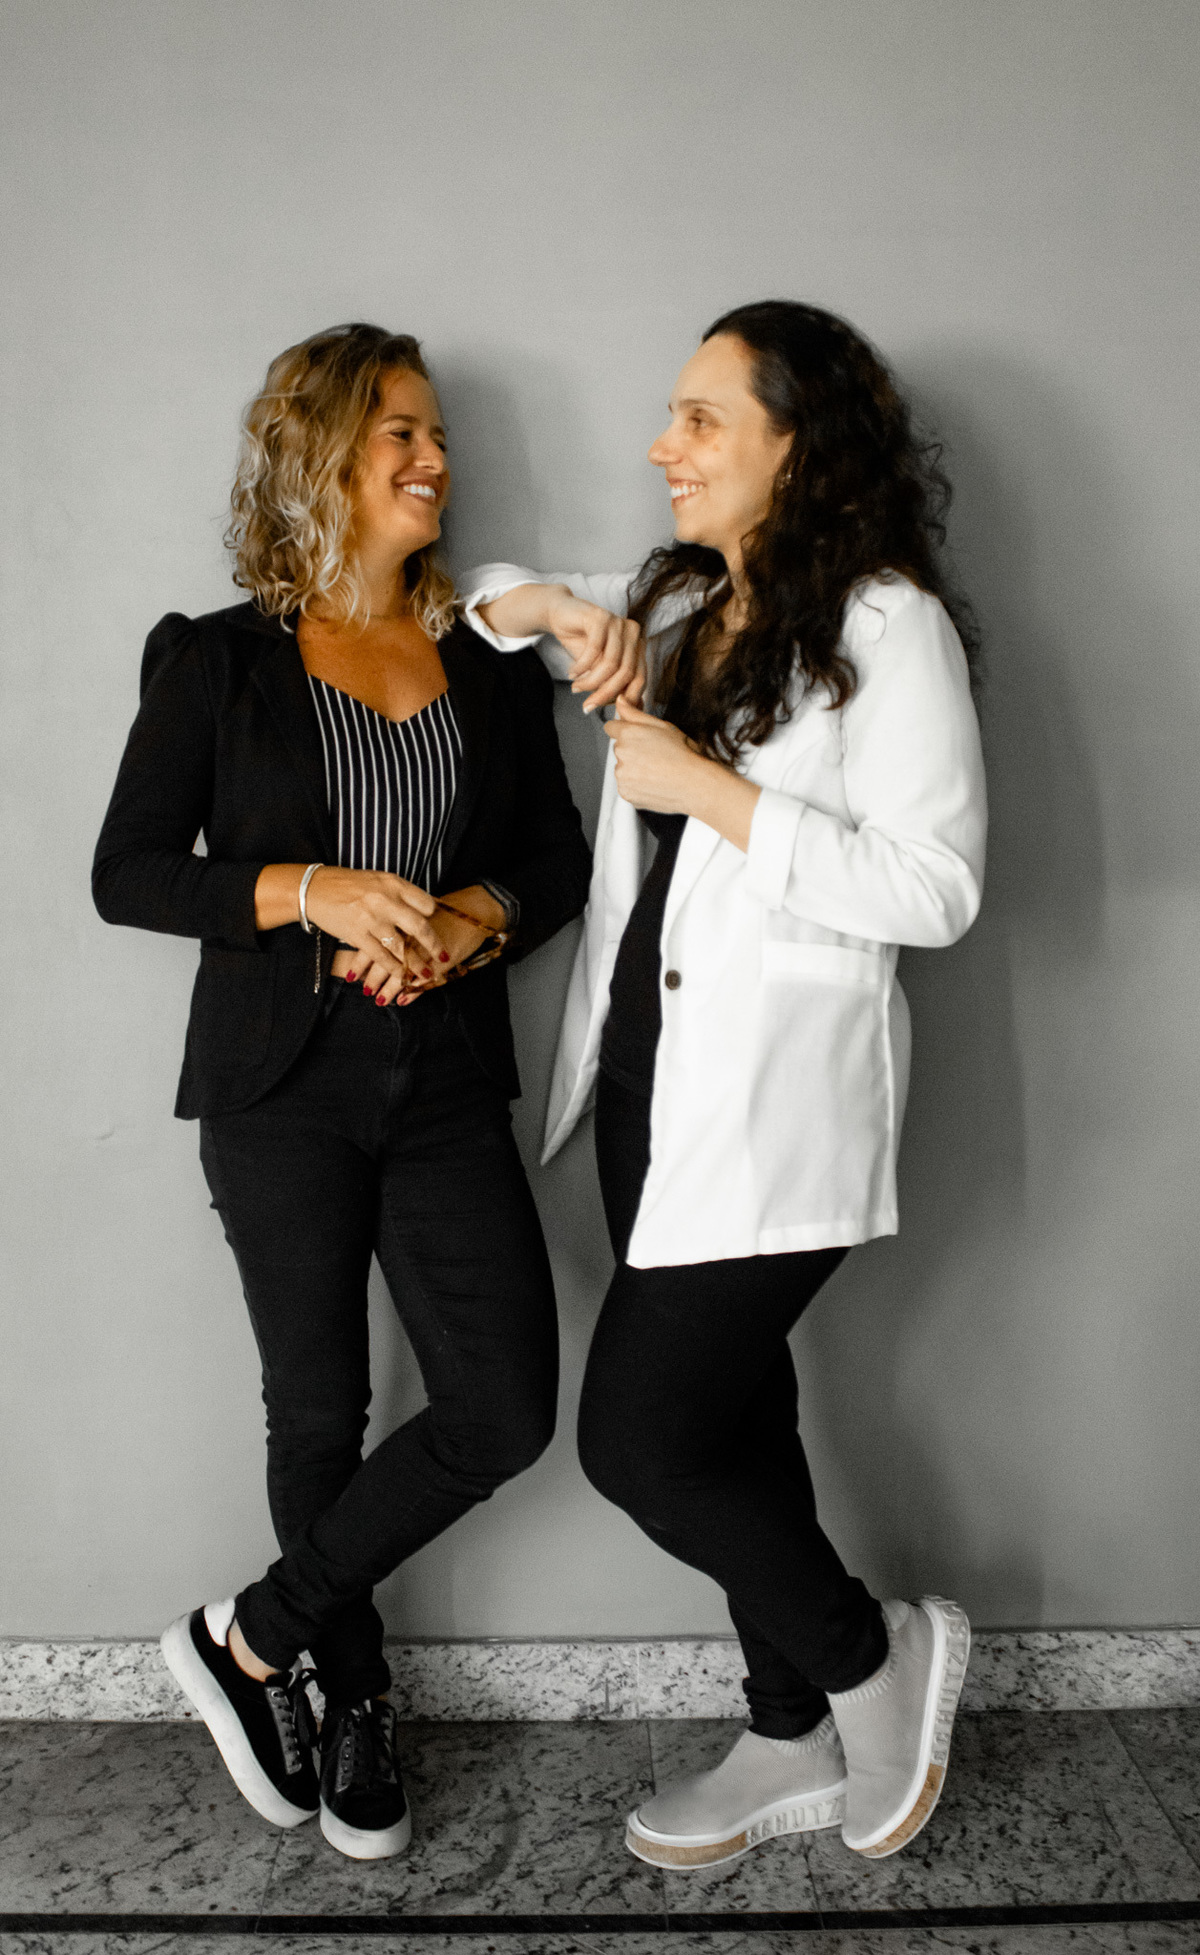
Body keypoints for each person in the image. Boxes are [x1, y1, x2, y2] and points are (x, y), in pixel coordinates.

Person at [461, 300, 987, 1867]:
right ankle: (785, 1735)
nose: (661, 447)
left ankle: (871, 1662)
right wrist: (559, 610)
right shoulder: (685, 598)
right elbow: (480, 604)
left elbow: (937, 887)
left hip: (777, 1102)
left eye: (700, 419)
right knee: (740, 1414)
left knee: (644, 1440)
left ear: (796, 442)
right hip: (647, 1086)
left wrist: (711, 790)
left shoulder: (888, 624)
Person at [92, 323, 599, 1861]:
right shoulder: (218, 658)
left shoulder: (485, 664)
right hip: (278, 1088)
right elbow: (128, 874)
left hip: (444, 1084)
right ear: (320, 454)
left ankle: (251, 1637)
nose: (436, 459)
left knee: (503, 1405)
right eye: (401, 433)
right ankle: (354, 1691)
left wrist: (472, 919)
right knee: (317, 1409)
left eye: (436, 432)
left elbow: (556, 860)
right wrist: (309, 890)